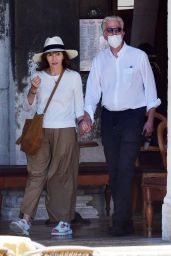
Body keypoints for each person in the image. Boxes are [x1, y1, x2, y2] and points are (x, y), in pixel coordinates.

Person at [83, 16, 161, 236]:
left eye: (118, 29)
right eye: (110, 30)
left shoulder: (139, 57)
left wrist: (149, 119)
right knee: (114, 170)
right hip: (109, 118)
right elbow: (92, 94)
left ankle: (119, 223)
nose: (114, 33)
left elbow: (150, 91)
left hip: (133, 117)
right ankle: (124, 221)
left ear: (124, 32)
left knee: (125, 168)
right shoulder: (99, 60)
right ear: (104, 34)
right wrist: (87, 117)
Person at [10, 36, 87, 236]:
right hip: (41, 131)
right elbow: (28, 107)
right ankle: (25, 219)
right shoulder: (39, 77)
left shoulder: (73, 77)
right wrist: (33, 89)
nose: (54, 58)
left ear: (63, 56)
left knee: (62, 176)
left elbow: (79, 107)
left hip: (66, 130)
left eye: (57, 54)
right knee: (36, 173)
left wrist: (83, 121)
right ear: (46, 57)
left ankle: (62, 222)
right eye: (50, 54)